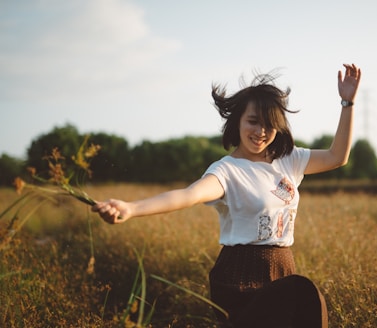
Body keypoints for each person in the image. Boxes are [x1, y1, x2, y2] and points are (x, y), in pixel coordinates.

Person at [92, 63, 361, 327]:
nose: (261, 132)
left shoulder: (289, 159)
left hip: (282, 268)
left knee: (306, 301)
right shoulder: (227, 170)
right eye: (253, 122)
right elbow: (188, 195)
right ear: (238, 121)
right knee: (304, 293)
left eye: (269, 125)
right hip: (239, 275)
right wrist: (131, 208)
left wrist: (347, 104)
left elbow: (337, 156)